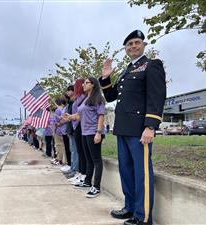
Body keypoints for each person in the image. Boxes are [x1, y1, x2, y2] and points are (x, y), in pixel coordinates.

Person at [99, 30, 166, 225]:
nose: (133, 46)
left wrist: (150, 126)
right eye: (129, 45)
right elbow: (111, 96)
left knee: (141, 173)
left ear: (143, 45)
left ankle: (143, 216)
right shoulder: (126, 71)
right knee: (127, 172)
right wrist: (105, 78)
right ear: (126, 49)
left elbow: (156, 96)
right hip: (122, 129)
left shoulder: (152, 65)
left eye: (137, 43)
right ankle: (130, 207)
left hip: (139, 130)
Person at [67, 77, 105, 198]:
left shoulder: (98, 98)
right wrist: (70, 117)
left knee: (96, 160)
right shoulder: (85, 99)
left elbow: (101, 116)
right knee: (88, 159)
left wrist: (98, 132)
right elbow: (79, 116)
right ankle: (87, 181)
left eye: (86, 83)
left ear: (93, 85)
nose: (83, 85)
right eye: (83, 83)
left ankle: (96, 187)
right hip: (84, 132)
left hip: (93, 132)